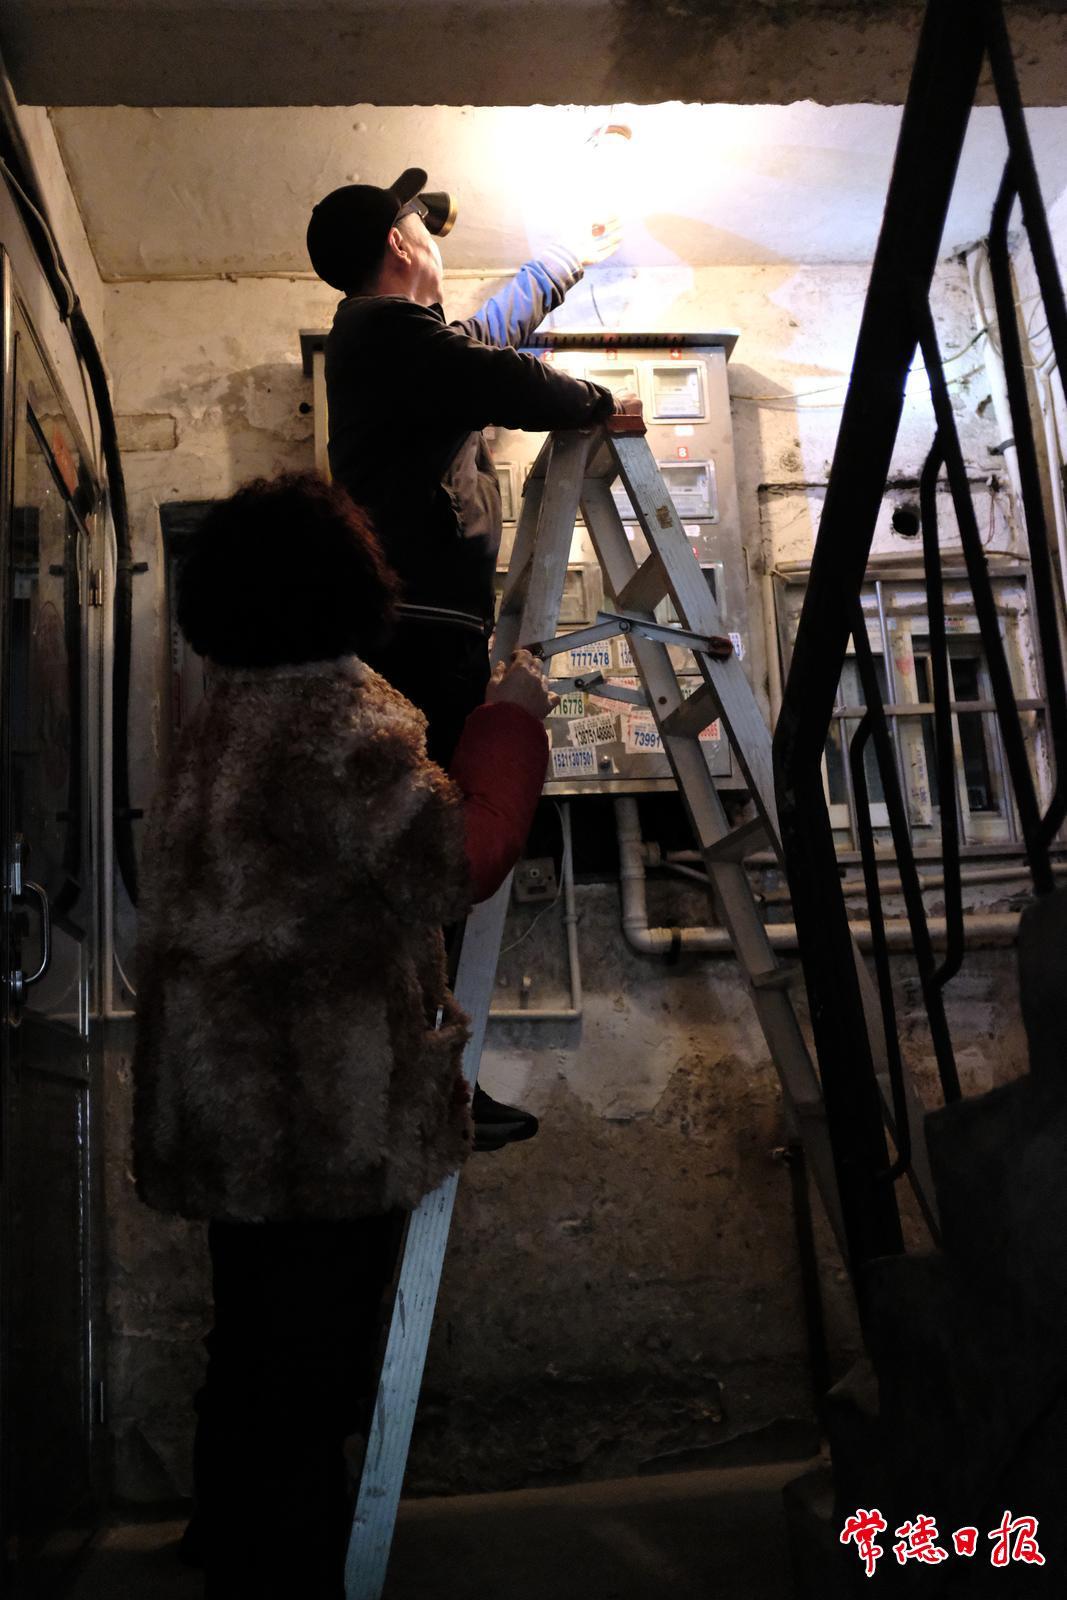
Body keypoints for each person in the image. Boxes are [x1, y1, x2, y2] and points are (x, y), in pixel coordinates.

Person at [131, 472, 556, 1599]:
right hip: (320, 1110)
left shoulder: (216, 719)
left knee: (248, 1345)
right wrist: (512, 719)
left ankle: (225, 1546)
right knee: (311, 1385)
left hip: (228, 1106)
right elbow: (454, 861)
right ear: (345, 586)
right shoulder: (338, 720)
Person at [306, 167, 625, 1146]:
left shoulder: (398, 349)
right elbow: (504, 378)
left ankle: (425, 1078)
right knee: (431, 864)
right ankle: (421, 1087)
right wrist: (596, 400)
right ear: (402, 245)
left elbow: (484, 344)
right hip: (417, 633)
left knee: (425, 864)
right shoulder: (383, 333)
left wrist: (565, 261)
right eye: (425, 228)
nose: (435, 241)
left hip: (425, 628)